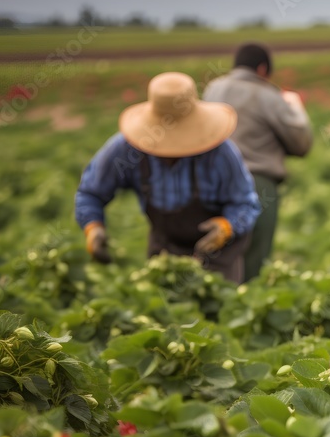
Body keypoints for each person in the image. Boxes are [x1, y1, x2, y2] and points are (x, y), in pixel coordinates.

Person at [75, 72, 261, 283]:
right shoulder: (127, 150)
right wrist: (93, 227)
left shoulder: (220, 153)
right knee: (164, 310)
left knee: (218, 309)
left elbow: (247, 204)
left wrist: (227, 227)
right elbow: (90, 192)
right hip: (165, 250)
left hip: (218, 257)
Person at [203, 43, 313, 282]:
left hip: (210, 183)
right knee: (252, 262)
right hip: (256, 184)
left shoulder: (213, 89)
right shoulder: (268, 95)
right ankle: (244, 312)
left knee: (214, 259)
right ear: (262, 69)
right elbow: (301, 144)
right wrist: (295, 107)